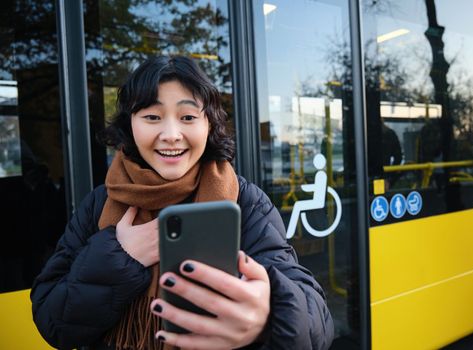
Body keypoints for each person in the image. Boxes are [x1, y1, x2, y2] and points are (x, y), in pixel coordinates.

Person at [30, 56, 334, 350]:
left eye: (188, 117)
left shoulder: (245, 202)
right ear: (130, 125)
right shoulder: (99, 202)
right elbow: (51, 320)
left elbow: (318, 322)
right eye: (152, 117)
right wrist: (120, 256)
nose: (171, 135)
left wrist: (269, 317)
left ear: (208, 124)